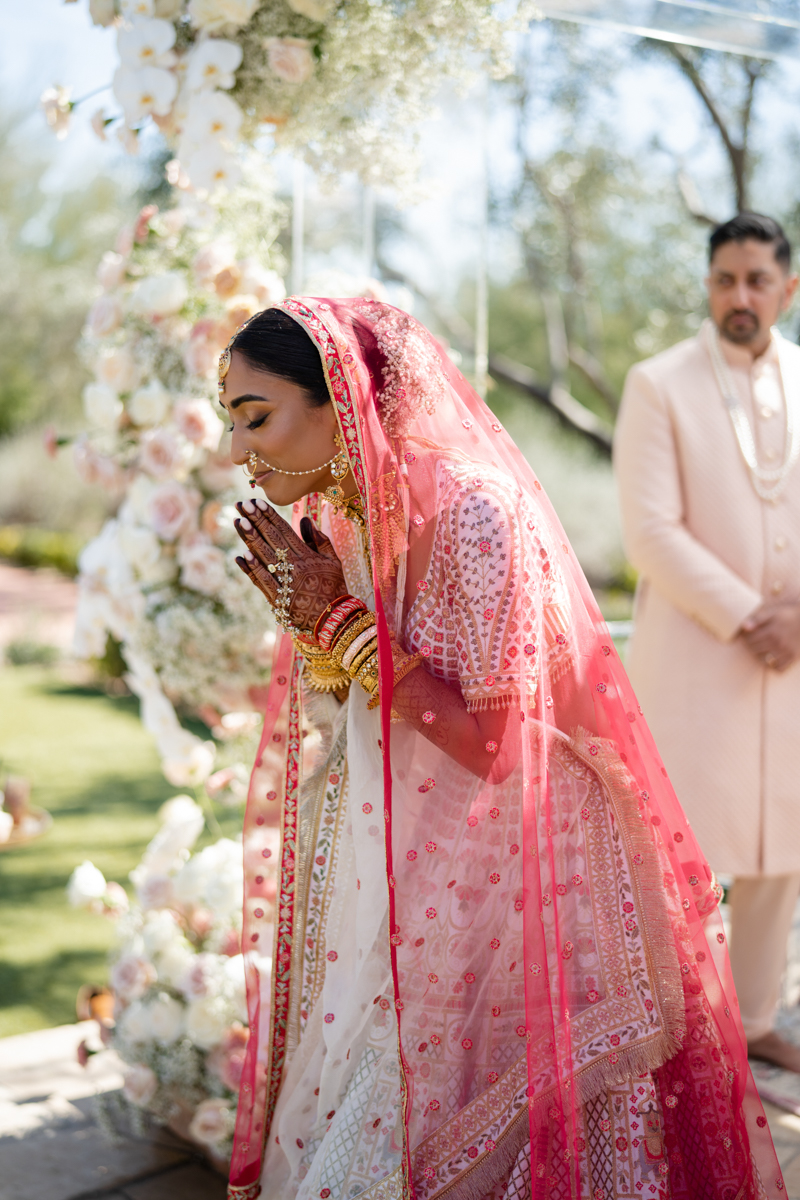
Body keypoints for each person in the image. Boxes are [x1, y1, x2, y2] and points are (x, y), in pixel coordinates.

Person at [221, 298, 780, 1200]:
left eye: (256, 419)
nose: (235, 452)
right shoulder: (354, 516)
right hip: (425, 860)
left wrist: (335, 620)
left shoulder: (480, 517)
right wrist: (322, 629)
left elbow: (500, 743)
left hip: (531, 866)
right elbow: (369, 700)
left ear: (344, 401)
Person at [614, 212, 800, 1077]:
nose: (740, 297)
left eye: (757, 280)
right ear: (707, 283)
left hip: (793, 664)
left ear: (787, 289)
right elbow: (650, 532)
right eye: (725, 279)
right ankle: (675, 1034)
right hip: (698, 658)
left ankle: (758, 1018)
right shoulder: (660, 383)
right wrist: (751, 615)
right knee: (683, 853)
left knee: (781, 849)